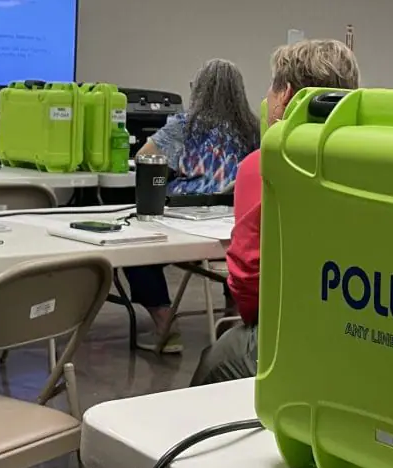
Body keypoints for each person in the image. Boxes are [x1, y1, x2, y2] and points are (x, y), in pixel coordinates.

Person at [191, 39, 359, 386]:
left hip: (295, 337)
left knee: (220, 357)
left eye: (272, 86)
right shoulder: (377, 160)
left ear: (286, 95)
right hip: (363, 331)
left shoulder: (266, 164)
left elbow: (251, 289)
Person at [125, 59, 260, 354]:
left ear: (197, 90)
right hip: (232, 224)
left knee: (133, 250)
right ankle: (233, 318)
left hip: (184, 220)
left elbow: (146, 160)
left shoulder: (185, 125)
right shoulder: (253, 130)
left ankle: (165, 325)